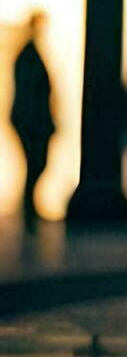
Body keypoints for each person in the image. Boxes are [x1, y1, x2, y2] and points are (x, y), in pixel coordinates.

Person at [9, 13, 55, 233]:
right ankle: (29, 209)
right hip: (31, 121)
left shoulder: (29, 54)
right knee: (35, 163)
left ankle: (30, 208)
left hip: (32, 120)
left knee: (36, 163)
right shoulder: (28, 55)